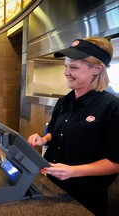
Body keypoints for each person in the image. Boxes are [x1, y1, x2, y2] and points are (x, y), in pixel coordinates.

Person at [27, 36, 119, 215]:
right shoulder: (64, 101)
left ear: (97, 69)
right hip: (53, 185)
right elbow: (56, 133)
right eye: (66, 66)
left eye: (74, 67)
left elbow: (115, 162)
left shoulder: (112, 108)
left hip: (86, 196)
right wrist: (43, 139)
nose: (66, 72)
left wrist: (74, 171)